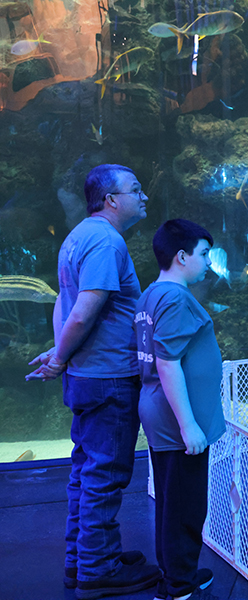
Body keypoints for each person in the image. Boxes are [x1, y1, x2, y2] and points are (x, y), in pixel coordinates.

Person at [25, 164, 161, 598]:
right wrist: (59, 357)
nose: (144, 197)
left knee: (85, 470)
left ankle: (81, 558)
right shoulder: (106, 240)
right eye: (135, 190)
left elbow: (62, 305)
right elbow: (85, 308)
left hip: (87, 374)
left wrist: (59, 353)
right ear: (111, 200)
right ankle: (98, 571)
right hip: (109, 377)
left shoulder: (78, 236)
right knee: (106, 472)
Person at [134, 219, 225, 600]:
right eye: (204, 254)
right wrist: (189, 425)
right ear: (181, 256)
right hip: (175, 419)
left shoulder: (151, 294)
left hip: (158, 411)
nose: (208, 261)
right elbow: (168, 361)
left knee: (172, 502)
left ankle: (175, 574)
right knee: (185, 507)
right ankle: (179, 586)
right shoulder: (174, 298)